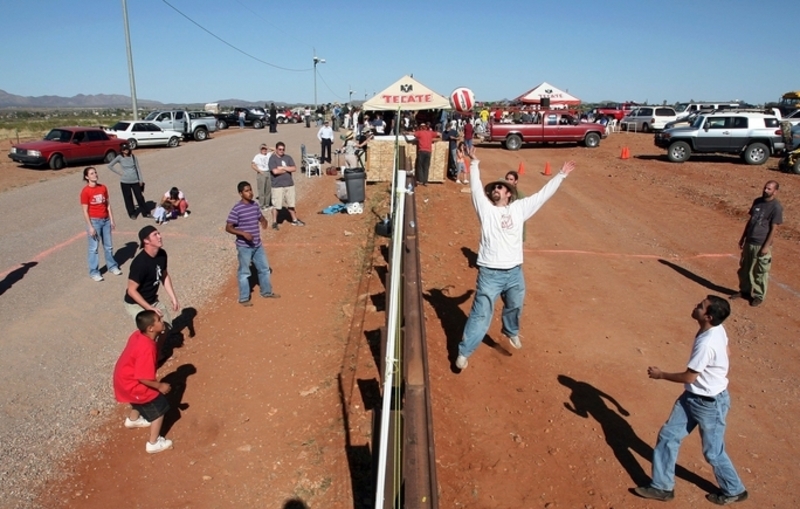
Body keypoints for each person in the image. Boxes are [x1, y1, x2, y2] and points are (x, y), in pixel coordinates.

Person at [455, 147, 575, 370]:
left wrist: (560, 175)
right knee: (481, 314)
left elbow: (542, 195)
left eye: (500, 187)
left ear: (509, 193)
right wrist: (475, 163)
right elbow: (475, 189)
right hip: (490, 273)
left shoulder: (520, 208)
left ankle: (510, 332)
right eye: (494, 188)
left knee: (515, 305)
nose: (496, 190)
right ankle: (464, 352)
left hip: (514, 272)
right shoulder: (486, 211)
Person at [634, 296, 748, 505]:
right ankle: (662, 487)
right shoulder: (717, 329)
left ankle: (734, 489)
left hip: (709, 404)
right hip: (693, 397)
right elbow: (728, 352)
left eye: (700, 306)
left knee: (713, 452)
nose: (696, 306)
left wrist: (661, 375)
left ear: (708, 316)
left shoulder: (707, 344)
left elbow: (689, 377)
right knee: (668, 436)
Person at [113, 310, 174, 454]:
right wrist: (160, 386)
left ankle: (133, 420)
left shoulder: (137, 335)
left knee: (139, 400)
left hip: (122, 378)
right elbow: (143, 378)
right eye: (158, 320)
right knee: (159, 406)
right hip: (132, 383)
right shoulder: (147, 348)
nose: (162, 320)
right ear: (151, 328)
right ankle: (153, 443)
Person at [124, 225, 180, 355]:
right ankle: (142, 358)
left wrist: (173, 297)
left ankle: (155, 353)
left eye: (158, 233)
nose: (160, 236)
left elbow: (164, 275)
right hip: (135, 303)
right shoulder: (140, 263)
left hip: (151, 300)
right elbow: (132, 291)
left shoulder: (162, 254)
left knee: (165, 327)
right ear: (146, 241)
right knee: (149, 332)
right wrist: (149, 308)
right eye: (155, 234)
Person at [225, 181, 280, 306]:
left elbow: (259, 216)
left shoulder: (255, 205)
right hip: (244, 247)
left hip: (257, 244)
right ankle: (244, 298)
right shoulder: (237, 209)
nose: (250, 193)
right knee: (244, 272)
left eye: (250, 190)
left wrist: (264, 220)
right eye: (246, 191)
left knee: (264, 268)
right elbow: (228, 227)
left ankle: (266, 292)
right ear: (240, 193)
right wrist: (243, 234)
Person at [734, 180, 782, 307]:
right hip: (750, 241)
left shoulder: (776, 207)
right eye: (765, 188)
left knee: (759, 272)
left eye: (769, 189)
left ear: (775, 192)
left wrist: (766, 246)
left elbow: (774, 228)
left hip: (761, 244)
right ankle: (744, 291)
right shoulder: (757, 201)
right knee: (745, 269)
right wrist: (743, 237)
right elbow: (750, 221)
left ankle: (759, 296)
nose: (765, 190)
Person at [80, 166, 122, 281]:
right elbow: (85, 210)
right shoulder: (85, 191)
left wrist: (112, 219)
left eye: (95, 173)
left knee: (108, 246)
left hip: (106, 220)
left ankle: (112, 266)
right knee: (94, 248)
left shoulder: (103, 188)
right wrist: (90, 226)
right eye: (92, 173)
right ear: (87, 177)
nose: (95, 175)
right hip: (94, 221)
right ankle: (94, 272)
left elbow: (107, 205)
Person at [268, 142, 305, 229]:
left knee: (291, 204)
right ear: (276, 149)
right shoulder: (272, 159)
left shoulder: (288, 158)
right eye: (280, 149)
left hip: (289, 185)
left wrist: (282, 168)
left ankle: (294, 220)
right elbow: (275, 172)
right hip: (277, 186)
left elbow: (294, 168)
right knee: (276, 205)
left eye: (283, 149)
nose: (281, 151)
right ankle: (274, 222)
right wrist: (287, 169)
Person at [107, 143, 148, 219]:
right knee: (128, 198)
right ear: (121, 150)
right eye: (124, 149)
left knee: (139, 197)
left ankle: (145, 212)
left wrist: (141, 179)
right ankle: (132, 213)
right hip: (125, 182)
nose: (126, 150)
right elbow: (110, 165)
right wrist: (120, 173)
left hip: (135, 180)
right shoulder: (119, 157)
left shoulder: (133, 157)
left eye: (127, 149)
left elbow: (138, 168)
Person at [251, 144, 273, 211]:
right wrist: (259, 171)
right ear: (260, 150)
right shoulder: (257, 156)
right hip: (261, 173)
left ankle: (267, 204)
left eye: (265, 149)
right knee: (262, 189)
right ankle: (262, 205)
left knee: (268, 189)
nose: (264, 150)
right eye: (262, 149)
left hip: (268, 172)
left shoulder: (268, 154)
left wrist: (268, 147)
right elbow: (252, 164)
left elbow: (275, 149)